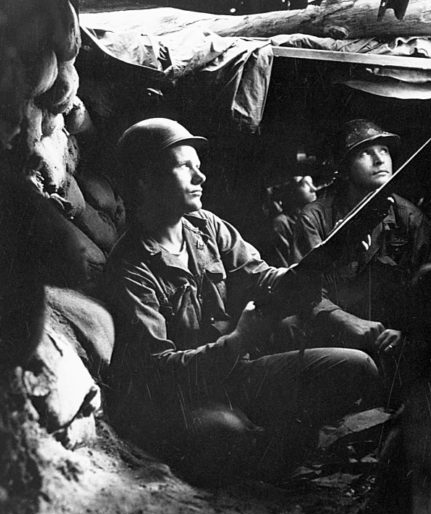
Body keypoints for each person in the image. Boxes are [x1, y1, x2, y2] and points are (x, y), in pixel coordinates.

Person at [100, 118, 384, 486]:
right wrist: (237, 343)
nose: (200, 178)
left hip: (240, 376)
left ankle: (273, 439)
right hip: (185, 399)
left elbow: (264, 279)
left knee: (358, 368)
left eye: (198, 167)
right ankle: (272, 442)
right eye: (185, 167)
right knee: (229, 436)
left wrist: (327, 261)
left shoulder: (207, 227)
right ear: (144, 179)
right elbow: (158, 375)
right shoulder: (130, 268)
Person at [291, 119, 431, 357]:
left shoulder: (412, 220)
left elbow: (429, 293)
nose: (380, 160)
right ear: (345, 169)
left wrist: (406, 331)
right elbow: (304, 290)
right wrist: (345, 321)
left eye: (384, 151)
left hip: (392, 340)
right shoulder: (315, 217)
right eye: (365, 153)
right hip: (332, 336)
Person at [263, 174, 318, 267]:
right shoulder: (281, 223)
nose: (314, 189)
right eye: (304, 184)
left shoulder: (314, 219)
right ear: (292, 192)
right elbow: (282, 265)